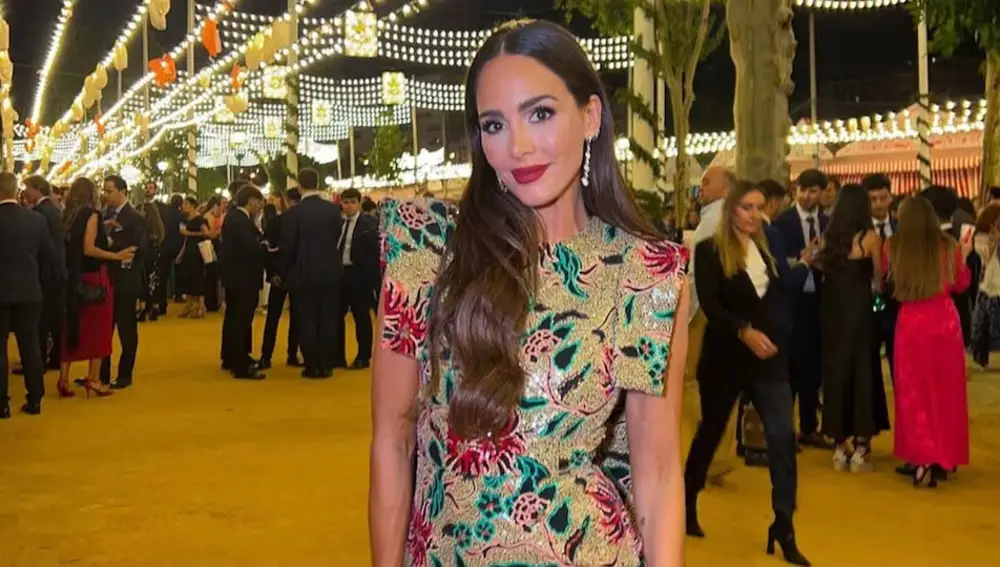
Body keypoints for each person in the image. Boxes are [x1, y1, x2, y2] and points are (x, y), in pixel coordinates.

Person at [370, 20, 687, 566]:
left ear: (589, 116)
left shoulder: (644, 273)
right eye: (494, 124)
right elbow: (392, 445)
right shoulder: (426, 248)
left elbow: (656, 475)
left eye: (540, 113)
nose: (517, 146)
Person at [685, 181, 807, 566]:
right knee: (712, 432)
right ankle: (687, 500)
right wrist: (743, 330)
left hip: (769, 358)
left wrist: (777, 333)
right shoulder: (708, 252)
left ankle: (784, 525)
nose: (754, 215)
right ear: (730, 210)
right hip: (725, 358)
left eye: (758, 208)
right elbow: (711, 305)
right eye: (746, 207)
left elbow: (778, 297)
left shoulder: (765, 250)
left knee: (782, 436)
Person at [883, 196, 971, 487]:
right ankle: (944, 457)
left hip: (910, 323)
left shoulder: (893, 247)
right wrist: (966, 256)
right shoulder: (949, 247)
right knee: (946, 392)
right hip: (944, 321)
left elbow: (889, 283)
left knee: (913, 393)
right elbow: (961, 284)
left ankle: (921, 457)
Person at [816, 184, 888, 472]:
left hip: (832, 312)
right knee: (863, 373)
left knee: (835, 374)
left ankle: (837, 447)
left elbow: (818, 266)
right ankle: (860, 448)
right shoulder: (870, 238)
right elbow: (878, 279)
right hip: (860, 313)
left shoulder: (828, 238)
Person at [684, 166, 737, 482]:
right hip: (728, 313)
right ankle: (719, 456)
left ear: (727, 189)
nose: (700, 186)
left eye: (707, 182)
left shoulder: (712, 222)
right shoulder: (733, 220)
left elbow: (694, 279)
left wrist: (685, 316)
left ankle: (701, 454)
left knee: (690, 381)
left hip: (703, 312)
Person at [772, 168, 830, 449]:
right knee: (790, 369)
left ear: (823, 192)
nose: (807, 196)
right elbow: (777, 262)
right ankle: (786, 430)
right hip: (790, 302)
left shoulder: (827, 222)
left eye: (813, 190)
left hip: (817, 302)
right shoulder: (783, 222)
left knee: (812, 368)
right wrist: (805, 259)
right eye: (803, 190)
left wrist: (822, 262)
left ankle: (810, 427)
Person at [61, 178, 135, 398]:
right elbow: (89, 248)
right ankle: (93, 379)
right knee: (99, 329)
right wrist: (116, 255)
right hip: (95, 277)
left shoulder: (68, 216)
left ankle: (63, 379)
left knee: (72, 325)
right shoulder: (92, 214)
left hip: (74, 276)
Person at [0, 172, 54, 418]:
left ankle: (2, 403)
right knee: (30, 346)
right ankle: (35, 399)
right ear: (15, 192)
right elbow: (48, 257)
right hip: (30, 291)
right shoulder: (36, 221)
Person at [280, 169, 343, 379]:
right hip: (330, 271)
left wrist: (282, 271)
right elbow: (336, 239)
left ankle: (311, 365)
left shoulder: (293, 214)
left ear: (299, 186)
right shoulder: (333, 211)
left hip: (302, 272)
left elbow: (288, 246)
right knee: (328, 318)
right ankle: (326, 364)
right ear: (318, 183)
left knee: (306, 319)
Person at [96, 175, 147, 390]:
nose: (106, 195)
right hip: (106, 278)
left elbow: (140, 247)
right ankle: (101, 374)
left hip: (126, 279)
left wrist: (112, 243)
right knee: (104, 329)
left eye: (110, 191)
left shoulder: (134, 217)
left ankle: (125, 374)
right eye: (104, 191)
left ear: (123, 192)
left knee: (126, 329)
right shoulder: (104, 214)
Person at [219, 185, 267, 380]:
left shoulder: (233, 217)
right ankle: (240, 365)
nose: (260, 206)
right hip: (243, 278)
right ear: (250, 201)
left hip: (234, 277)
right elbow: (249, 250)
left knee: (233, 319)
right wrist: (264, 248)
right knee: (241, 320)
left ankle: (231, 357)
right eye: (259, 202)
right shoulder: (241, 221)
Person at [21, 175, 67, 372]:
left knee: (42, 320)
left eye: (27, 189)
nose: (25, 193)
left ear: (37, 189)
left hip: (46, 274)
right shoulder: (53, 209)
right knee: (52, 318)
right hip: (55, 273)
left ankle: (38, 361)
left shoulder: (41, 212)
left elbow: (44, 247)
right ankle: (54, 357)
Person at [334, 188, 380, 370]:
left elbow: (374, 252)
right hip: (339, 274)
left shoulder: (369, 223)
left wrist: (371, 278)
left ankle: (363, 356)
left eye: (352, 202)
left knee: (361, 317)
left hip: (360, 276)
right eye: (345, 202)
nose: (349, 206)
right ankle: (337, 356)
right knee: (336, 317)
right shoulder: (337, 223)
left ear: (359, 203)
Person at [259, 188, 302, 369]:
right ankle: (283, 354)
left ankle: (270, 356)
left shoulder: (277, 222)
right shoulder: (282, 222)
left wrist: (272, 273)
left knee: (280, 317)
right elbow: (269, 251)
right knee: (291, 317)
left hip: (286, 274)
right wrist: (273, 273)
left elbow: (268, 252)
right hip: (291, 274)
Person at [863, 174, 898, 386]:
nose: (878, 204)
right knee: (869, 364)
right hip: (870, 304)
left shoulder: (901, 227)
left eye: (882, 198)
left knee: (899, 362)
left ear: (890, 197)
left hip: (898, 303)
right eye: (872, 199)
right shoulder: (860, 232)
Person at [971, 204, 1000, 370]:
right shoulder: (980, 238)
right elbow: (985, 258)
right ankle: (981, 358)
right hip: (989, 287)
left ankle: (982, 358)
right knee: (983, 326)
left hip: (991, 285)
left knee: (986, 325)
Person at [177, 197, 211, 318]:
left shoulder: (199, 219)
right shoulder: (185, 219)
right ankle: (190, 304)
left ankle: (200, 306)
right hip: (188, 250)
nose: (183, 206)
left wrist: (191, 234)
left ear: (192, 206)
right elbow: (183, 234)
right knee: (188, 277)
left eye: (186, 204)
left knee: (198, 277)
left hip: (198, 251)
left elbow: (206, 233)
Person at [137, 193, 165, 322]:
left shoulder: (142, 226)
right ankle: (154, 306)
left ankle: (143, 308)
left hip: (144, 254)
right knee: (154, 281)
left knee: (143, 281)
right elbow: (161, 237)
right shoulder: (158, 228)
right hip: (155, 254)